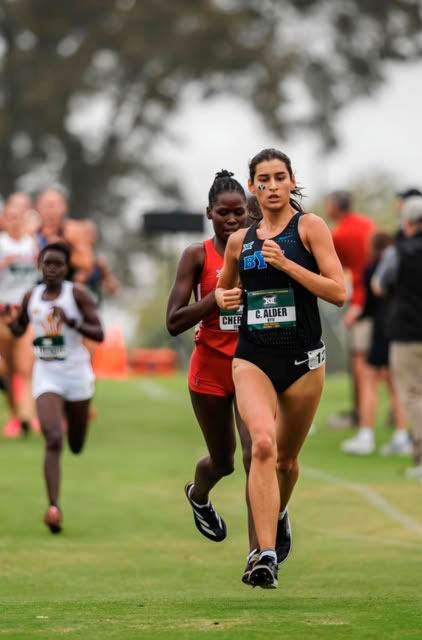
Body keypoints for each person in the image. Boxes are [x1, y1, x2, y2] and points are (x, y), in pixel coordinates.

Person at [216, 148, 346, 588]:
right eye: (263, 180)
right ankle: (264, 554)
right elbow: (223, 290)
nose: (271, 187)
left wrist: (287, 264)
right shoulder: (240, 241)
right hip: (253, 358)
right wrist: (225, 298)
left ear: (293, 181)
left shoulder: (309, 228)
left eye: (279, 178)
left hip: (305, 362)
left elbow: (338, 292)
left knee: (287, 461)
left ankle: (280, 512)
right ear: (253, 187)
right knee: (263, 446)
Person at [166, 170, 257, 577]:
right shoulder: (197, 255)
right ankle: (198, 495)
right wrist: (214, 302)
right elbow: (173, 321)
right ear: (210, 213)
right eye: (224, 213)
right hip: (210, 371)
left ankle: (263, 551)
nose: (233, 219)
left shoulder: (260, 249)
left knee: (258, 454)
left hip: (253, 365)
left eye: (240, 212)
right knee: (224, 462)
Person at [1, 242, 104, 532]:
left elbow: (99, 331)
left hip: (77, 374)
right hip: (47, 374)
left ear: (66, 268)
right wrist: (12, 325)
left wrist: (73, 322)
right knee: (53, 437)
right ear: (40, 265)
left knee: (76, 444)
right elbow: (21, 328)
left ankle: (77, 433)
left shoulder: (77, 295)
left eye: (58, 264)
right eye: (47, 263)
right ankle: (54, 507)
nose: (52, 269)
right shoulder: (30, 296)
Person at [372, 197, 422, 477]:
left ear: (408, 223)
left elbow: (379, 285)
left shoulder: (398, 252)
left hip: (407, 334)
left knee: (415, 397)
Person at [341, 232, 410, 456]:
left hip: (381, 331)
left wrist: (354, 317)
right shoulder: (401, 269)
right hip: (400, 330)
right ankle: (401, 435)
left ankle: (366, 434)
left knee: (369, 382)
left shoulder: (372, 270)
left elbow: (367, 305)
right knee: (396, 386)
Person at [327, 191, 375, 430]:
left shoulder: (341, 233)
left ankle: (360, 415)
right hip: (379, 301)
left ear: (336, 206)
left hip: (359, 301)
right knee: (383, 365)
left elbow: (332, 266)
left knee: (360, 363)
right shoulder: (368, 224)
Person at [0, 193, 39, 437]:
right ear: (4, 219)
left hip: (24, 313)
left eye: (19, 217)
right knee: (7, 369)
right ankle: (15, 414)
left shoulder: (32, 244)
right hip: (2, 314)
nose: (15, 221)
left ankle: (27, 418)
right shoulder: (1, 243)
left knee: (26, 367)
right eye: (10, 217)